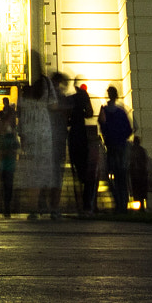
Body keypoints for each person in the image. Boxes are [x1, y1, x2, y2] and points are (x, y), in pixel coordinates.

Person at [16, 82, 59, 218]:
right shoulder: (42, 106)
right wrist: (48, 82)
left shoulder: (24, 106)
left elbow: (21, 128)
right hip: (44, 145)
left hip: (31, 146)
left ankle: (34, 208)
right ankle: (46, 206)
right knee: (45, 176)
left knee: (33, 179)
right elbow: (54, 104)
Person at [62, 76, 95, 215]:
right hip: (82, 135)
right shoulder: (84, 97)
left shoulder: (70, 99)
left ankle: (81, 204)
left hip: (74, 136)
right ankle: (86, 204)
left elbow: (66, 117)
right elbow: (89, 113)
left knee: (77, 171)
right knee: (85, 171)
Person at [98, 86, 133, 211]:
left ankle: (119, 203)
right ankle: (122, 203)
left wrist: (109, 136)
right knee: (121, 177)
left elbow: (102, 126)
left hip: (112, 146)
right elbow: (129, 129)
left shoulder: (106, 110)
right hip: (120, 146)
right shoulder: (121, 111)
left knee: (112, 176)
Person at [0, 99, 21, 217]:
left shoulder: (4, 131)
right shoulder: (5, 131)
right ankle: (6, 205)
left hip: (6, 163)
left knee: (6, 184)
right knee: (6, 184)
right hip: (6, 162)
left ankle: (6, 205)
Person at [126, 133, 150, 209]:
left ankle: (140, 206)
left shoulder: (131, 151)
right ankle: (141, 205)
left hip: (135, 173)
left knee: (136, 190)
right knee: (141, 190)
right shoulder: (142, 150)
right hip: (141, 173)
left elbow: (130, 161)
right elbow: (145, 161)